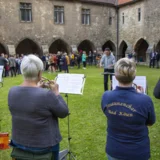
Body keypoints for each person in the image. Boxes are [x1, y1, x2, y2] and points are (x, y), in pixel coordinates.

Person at [8, 54, 69, 160]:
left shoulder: (12, 91)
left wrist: (37, 88)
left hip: (19, 143)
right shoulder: (46, 94)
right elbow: (64, 112)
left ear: (22, 71)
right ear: (40, 73)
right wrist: (56, 92)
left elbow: (28, 103)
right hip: (44, 146)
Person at [101, 58, 156, 160]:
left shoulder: (106, 96)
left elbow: (107, 114)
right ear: (134, 76)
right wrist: (141, 97)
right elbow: (150, 122)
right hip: (137, 152)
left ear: (116, 76)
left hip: (114, 150)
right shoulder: (145, 100)